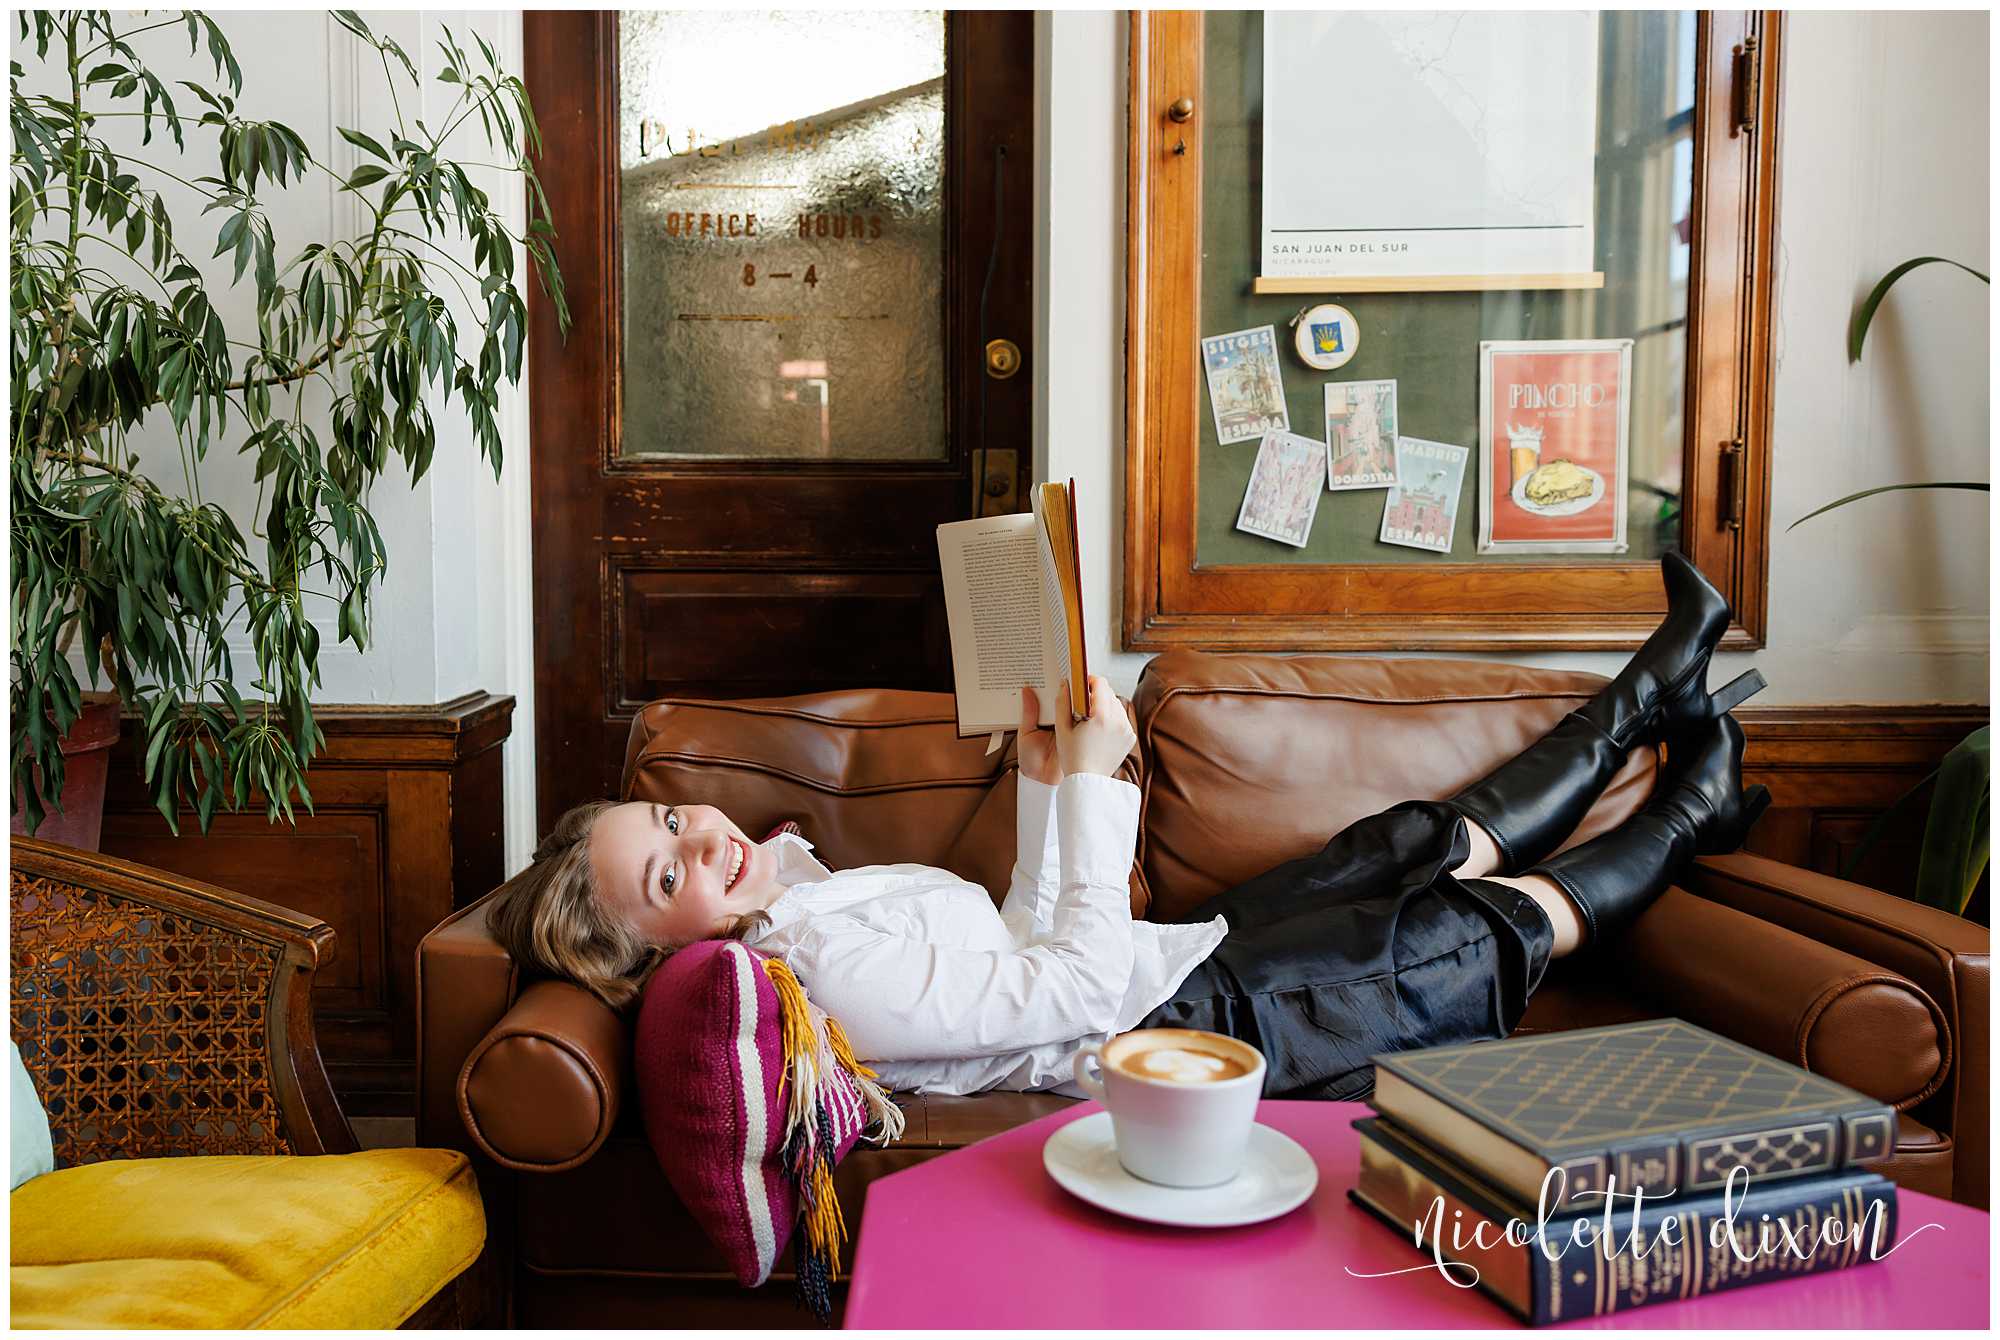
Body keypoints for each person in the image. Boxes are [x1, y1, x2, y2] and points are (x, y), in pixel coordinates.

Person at [494, 553, 1769, 1102]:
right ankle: (1693, 801)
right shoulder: (821, 980)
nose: (701, 832)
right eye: (668, 870)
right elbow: (1074, 986)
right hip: (1170, 1031)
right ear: (657, 950)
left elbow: (1009, 939)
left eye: (670, 811)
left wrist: (1055, 775)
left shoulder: (795, 897)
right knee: (1454, 929)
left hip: (1163, 969)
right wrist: (1099, 784)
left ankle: (1643, 693)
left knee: (1396, 846)